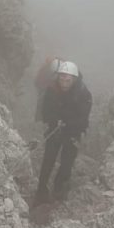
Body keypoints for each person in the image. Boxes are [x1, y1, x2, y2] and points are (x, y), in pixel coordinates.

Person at [33, 60, 92, 205]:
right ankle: (41, 190)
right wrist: (55, 122)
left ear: (74, 79)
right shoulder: (52, 90)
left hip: (72, 131)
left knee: (67, 163)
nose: (64, 82)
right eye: (62, 78)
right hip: (56, 129)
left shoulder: (83, 94)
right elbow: (46, 111)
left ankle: (58, 188)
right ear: (58, 77)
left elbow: (83, 119)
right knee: (48, 160)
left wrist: (67, 124)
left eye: (68, 79)